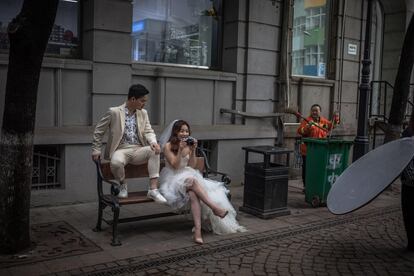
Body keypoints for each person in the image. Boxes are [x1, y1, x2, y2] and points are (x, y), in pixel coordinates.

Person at [158, 120, 246, 244]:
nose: (184, 133)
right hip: (172, 179)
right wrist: (179, 150)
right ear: (175, 132)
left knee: (194, 194)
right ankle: (215, 208)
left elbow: (192, 166)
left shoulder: (188, 145)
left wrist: (193, 150)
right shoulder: (168, 146)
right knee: (192, 181)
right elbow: (175, 165)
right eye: (181, 130)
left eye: (186, 131)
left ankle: (198, 232)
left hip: (186, 175)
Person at [91, 84, 167, 203]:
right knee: (116, 162)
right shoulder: (114, 112)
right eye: (142, 101)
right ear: (133, 99)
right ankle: (123, 185)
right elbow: (98, 131)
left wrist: (153, 142)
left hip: (138, 149)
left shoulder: (143, 113)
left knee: (155, 150)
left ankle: (153, 189)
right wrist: (96, 149)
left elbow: (148, 130)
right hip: (120, 150)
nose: (144, 104)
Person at [297, 104, 338, 191]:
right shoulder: (307, 121)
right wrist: (308, 127)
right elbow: (300, 131)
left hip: (320, 150)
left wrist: (336, 118)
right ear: (311, 112)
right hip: (308, 150)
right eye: (313, 110)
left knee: (318, 168)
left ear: (320, 112)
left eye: (316, 110)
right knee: (307, 169)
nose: (314, 112)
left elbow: (331, 126)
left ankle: (316, 184)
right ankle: (306, 186)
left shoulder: (323, 121)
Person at [401, 115, 414, 251]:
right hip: (409, 183)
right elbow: (404, 159)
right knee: (409, 214)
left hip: (409, 183)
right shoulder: (407, 135)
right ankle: (411, 242)